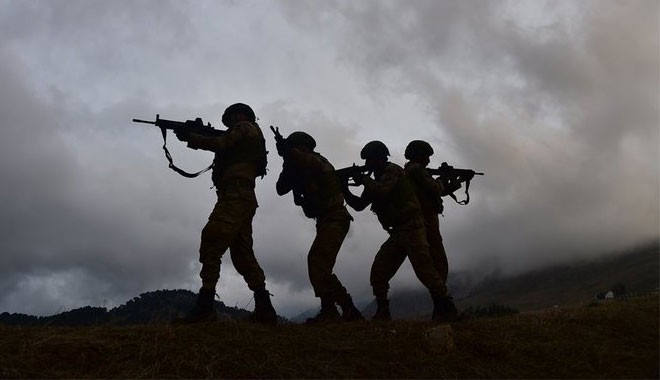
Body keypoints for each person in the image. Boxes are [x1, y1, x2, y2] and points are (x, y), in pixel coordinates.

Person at [174, 103, 277, 324]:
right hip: (242, 196)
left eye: (230, 118)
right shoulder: (248, 135)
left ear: (239, 115)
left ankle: (205, 308)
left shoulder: (245, 127)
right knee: (242, 255)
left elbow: (221, 143)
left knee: (212, 240)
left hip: (236, 195)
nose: (229, 123)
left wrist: (191, 138)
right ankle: (265, 310)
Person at [341, 141, 456, 322]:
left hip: (412, 227)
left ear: (381, 158)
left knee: (425, 270)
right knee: (379, 271)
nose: (369, 165)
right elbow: (359, 205)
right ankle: (383, 311)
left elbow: (383, 192)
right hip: (398, 231)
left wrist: (363, 179)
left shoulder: (392, 171)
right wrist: (344, 188)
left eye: (371, 160)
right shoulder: (377, 178)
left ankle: (448, 309)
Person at [275, 131, 363, 323]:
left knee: (317, 261)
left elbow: (308, 163)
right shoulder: (296, 166)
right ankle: (332, 309)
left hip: (335, 218)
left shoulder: (318, 161)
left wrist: (288, 153)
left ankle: (345, 308)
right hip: (325, 220)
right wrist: (286, 161)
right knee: (319, 264)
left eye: (295, 148)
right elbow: (280, 188)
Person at [403, 140, 462, 319]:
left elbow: (435, 191)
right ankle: (444, 306)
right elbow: (435, 187)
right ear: (419, 155)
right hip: (424, 222)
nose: (429, 160)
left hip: (426, 220)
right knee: (436, 263)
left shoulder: (415, 171)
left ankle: (440, 307)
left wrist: (455, 181)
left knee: (437, 264)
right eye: (426, 156)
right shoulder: (415, 170)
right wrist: (443, 178)